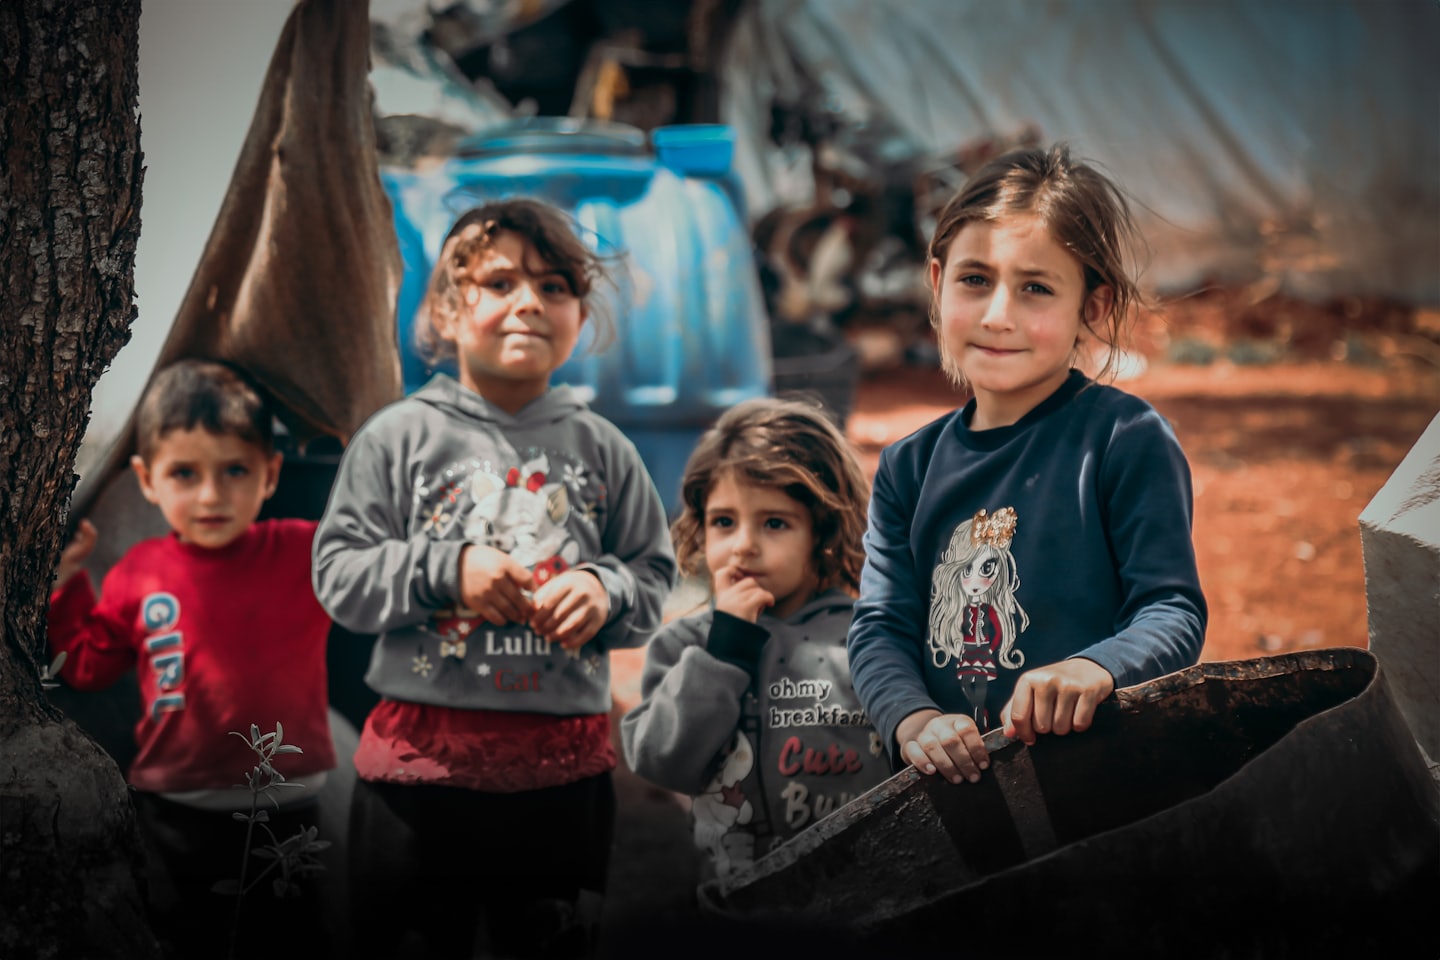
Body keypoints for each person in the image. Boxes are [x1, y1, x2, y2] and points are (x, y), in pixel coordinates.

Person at [311, 198, 677, 959]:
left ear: (580, 316)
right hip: (417, 776)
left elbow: (651, 575)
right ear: (447, 310)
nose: (529, 302)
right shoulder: (397, 438)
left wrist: (604, 589)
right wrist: (447, 568)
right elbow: (339, 574)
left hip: (562, 780)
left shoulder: (604, 448)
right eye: (500, 282)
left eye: (553, 286)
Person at [847, 143, 1207, 787]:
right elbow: (880, 627)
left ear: (1091, 307)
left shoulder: (1125, 440)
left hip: (1103, 791)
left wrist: (1094, 669)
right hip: (957, 800)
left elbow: (1171, 609)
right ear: (937, 282)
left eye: (1035, 288)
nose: (997, 316)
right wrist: (916, 721)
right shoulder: (907, 468)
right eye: (975, 279)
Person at [47, 357, 336, 959]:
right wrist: (67, 586)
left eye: (235, 469)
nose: (211, 495)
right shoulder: (138, 573)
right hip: (176, 816)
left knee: (294, 944)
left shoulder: (307, 553)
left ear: (270, 473)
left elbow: (379, 578)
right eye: (184, 472)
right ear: (147, 479)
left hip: (290, 809)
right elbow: (88, 668)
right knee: (188, 944)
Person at [621, 397, 891, 883]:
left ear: (822, 533)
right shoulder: (684, 645)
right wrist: (724, 650)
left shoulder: (867, 637)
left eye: (774, 523)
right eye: (724, 521)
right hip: (736, 904)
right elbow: (662, 761)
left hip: (861, 890)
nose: (743, 544)